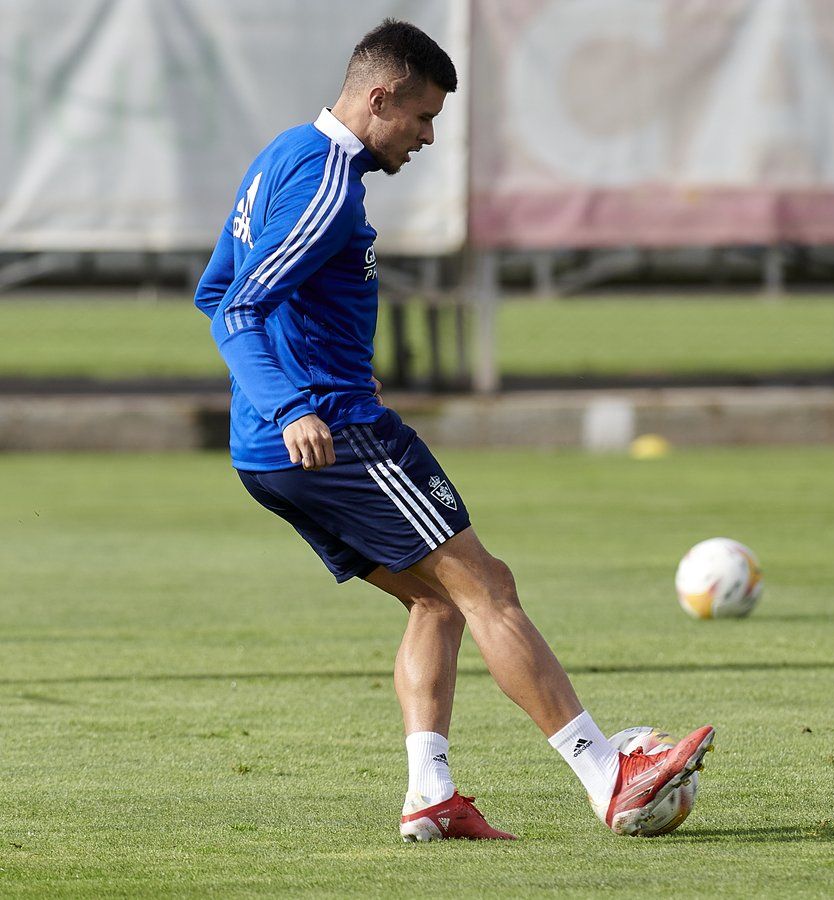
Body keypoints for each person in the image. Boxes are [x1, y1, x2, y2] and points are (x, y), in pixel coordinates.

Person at [194, 19, 713, 842]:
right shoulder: (325, 182)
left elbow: (212, 288)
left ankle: (429, 796)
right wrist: (291, 404)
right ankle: (607, 775)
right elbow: (239, 306)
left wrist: (276, 410)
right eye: (423, 117)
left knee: (437, 602)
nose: (429, 137)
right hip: (335, 433)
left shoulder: (280, 157)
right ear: (379, 97)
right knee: (488, 589)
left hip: (272, 452)